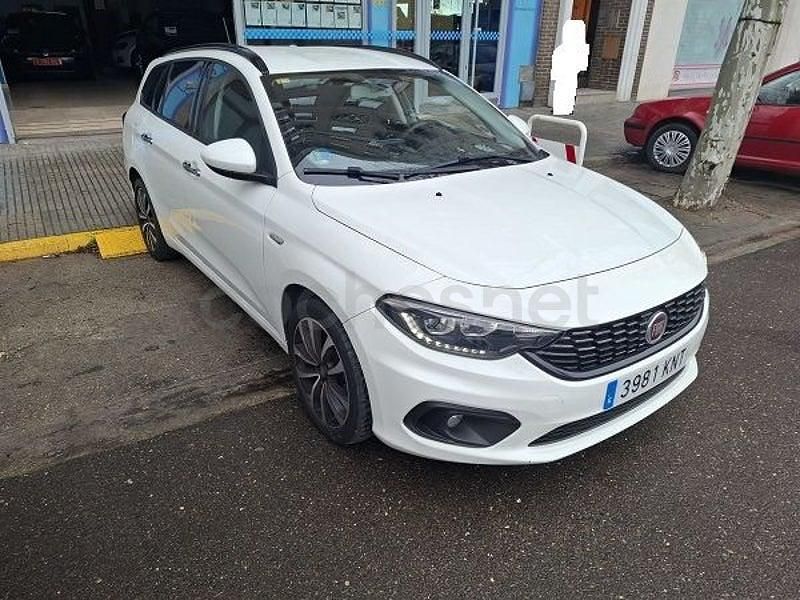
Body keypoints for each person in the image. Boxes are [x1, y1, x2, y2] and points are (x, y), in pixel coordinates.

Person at [551, 20, 590, 116]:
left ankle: (567, 108)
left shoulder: (580, 48)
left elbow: (582, 63)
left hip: (569, 73)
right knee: (561, 90)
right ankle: (559, 107)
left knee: (568, 90)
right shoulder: (564, 48)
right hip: (564, 73)